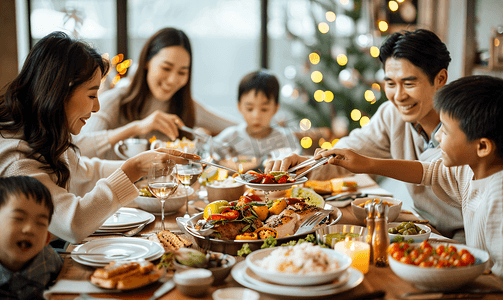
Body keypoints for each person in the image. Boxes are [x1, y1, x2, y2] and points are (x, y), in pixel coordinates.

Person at [265, 29, 465, 241]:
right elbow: (349, 151)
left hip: (463, 237)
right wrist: (304, 165)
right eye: (390, 83)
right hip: (421, 226)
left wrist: (368, 164)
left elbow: (435, 172)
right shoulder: (392, 113)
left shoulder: (464, 124)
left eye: (409, 83)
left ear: (440, 78)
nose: (398, 96)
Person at [0, 31, 198, 244]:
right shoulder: (16, 159)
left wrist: (145, 164)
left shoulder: (45, 134)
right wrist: (132, 169)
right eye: (92, 95)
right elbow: (73, 224)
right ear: (60, 92)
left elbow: (85, 171)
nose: (97, 107)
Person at [319, 76, 503, 278]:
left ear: (483, 147)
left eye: (447, 131)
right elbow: (428, 172)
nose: (438, 136)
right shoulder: (469, 169)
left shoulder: (498, 196)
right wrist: (366, 164)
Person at [74, 27, 237, 160]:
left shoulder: (186, 105)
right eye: (166, 68)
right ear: (146, 63)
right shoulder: (114, 101)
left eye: (182, 72)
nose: (173, 80)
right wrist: (137, 128)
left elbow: (239, 130)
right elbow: (77, 151)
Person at [211, 70, 301, 160]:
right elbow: (208, 156)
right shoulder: (231, 136)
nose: (256, 115)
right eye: (249, 109)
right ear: (239, 107)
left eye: (264, 109)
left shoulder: (286, 139)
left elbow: (298, 164)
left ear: (275, 108)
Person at [0, 176, 63, 300]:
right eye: (18, 218)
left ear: (46, 238)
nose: (30, 229)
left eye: (40, 223)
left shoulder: (49, 259)